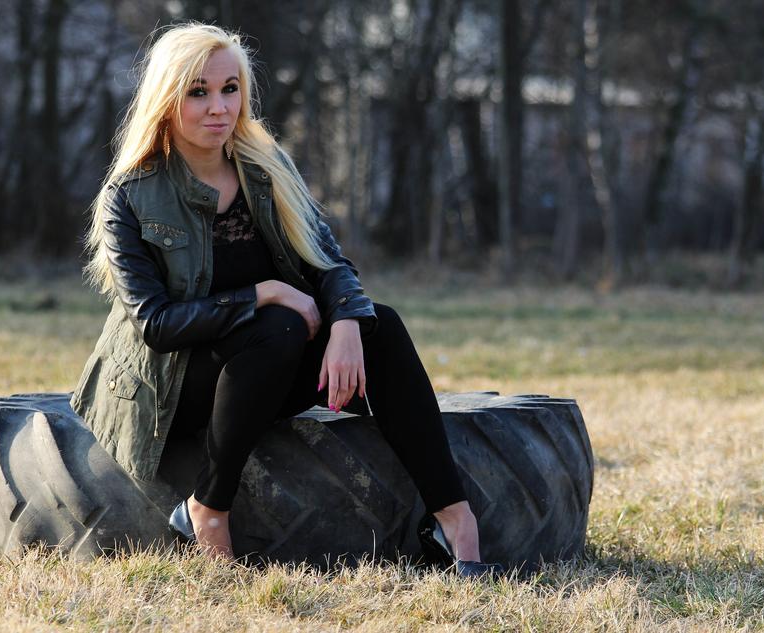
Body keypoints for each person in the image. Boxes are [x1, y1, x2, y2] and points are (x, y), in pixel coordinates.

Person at [71, 22, 501, 577]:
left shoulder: (267, 169)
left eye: (230, 89)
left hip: (261, 370)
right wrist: (263, 291)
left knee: (381, 327)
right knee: (278, 324)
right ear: (166, 98)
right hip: (169, 388)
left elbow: (330, 263)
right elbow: (155, 323)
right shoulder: (128, 196)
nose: (218, 106)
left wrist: (347, 322)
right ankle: (207, 507)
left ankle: (453, 517)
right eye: (198, 91)